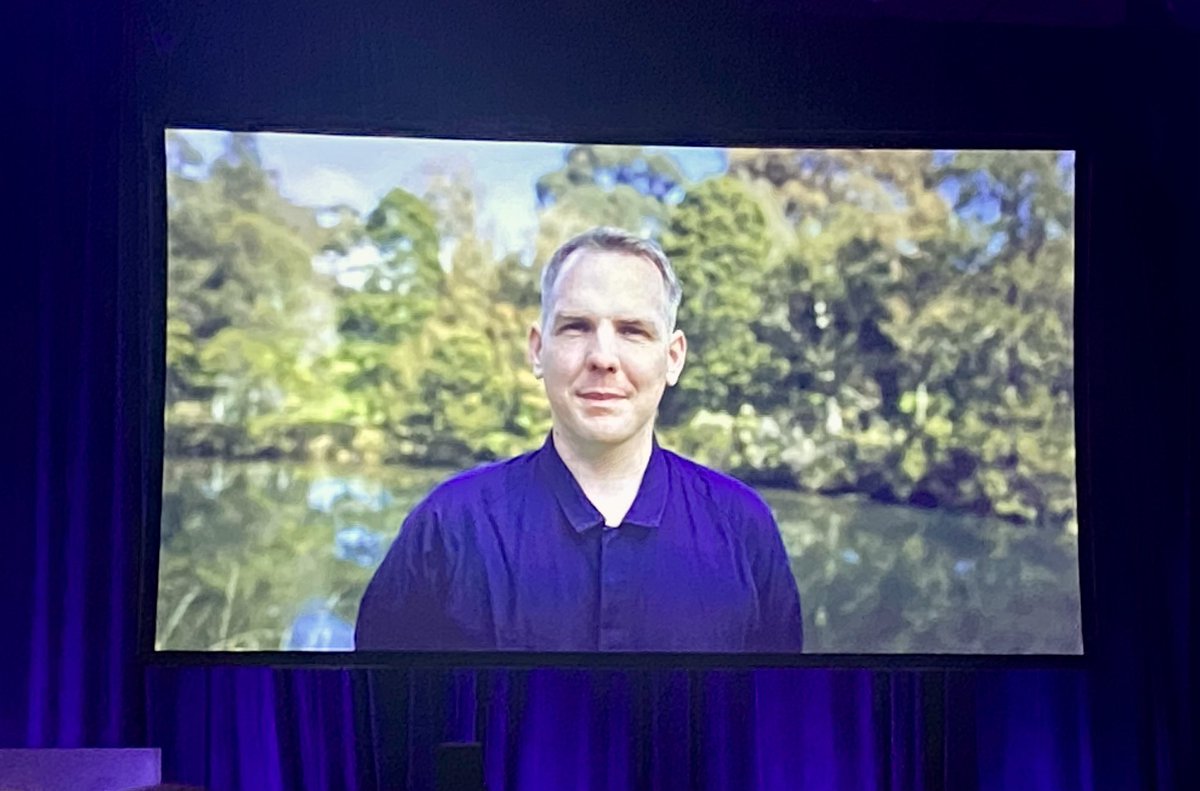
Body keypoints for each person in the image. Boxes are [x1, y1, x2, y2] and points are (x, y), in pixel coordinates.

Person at [355, 227, 803, 652]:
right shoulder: (449, 528)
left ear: (672, 358)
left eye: (632, 330)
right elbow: (377, 717)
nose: (603, 358)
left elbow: (782, 719)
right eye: (576, 327)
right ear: (537, 350)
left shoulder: (745, 530)